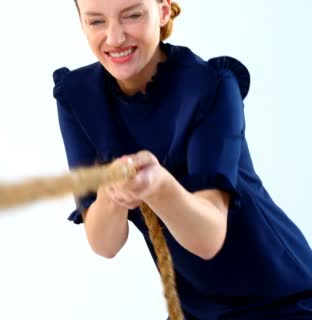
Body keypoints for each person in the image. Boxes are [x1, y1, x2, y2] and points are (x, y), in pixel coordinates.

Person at [52, 0, 312, 319]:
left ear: (162, 11)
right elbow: (105, 244)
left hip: (281, 300)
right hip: (196, 310)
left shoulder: (211, 86)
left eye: (132, 15)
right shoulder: (77, 97)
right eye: (96, 22)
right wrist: (111, 194)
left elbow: (208, 238)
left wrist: (158, 185)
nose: (115, 37)